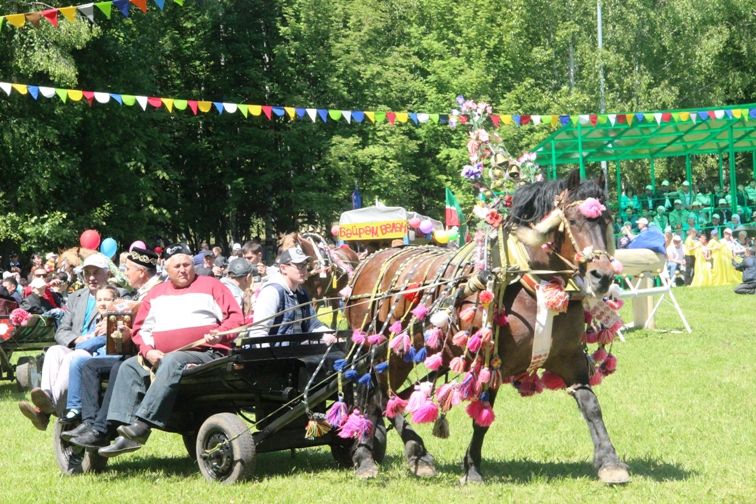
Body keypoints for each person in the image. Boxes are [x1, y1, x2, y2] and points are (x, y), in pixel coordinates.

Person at [96, 243, 243, 457]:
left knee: (173, 360)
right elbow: (141, 330)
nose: (183, 270)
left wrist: (221, 332)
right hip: (162, 357)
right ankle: (122, 433)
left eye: (187, 265)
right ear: (167, 269)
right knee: (128, 367)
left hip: (206, 354)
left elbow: (236, 319)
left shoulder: (212, 285)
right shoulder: (156, 294)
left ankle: (142, 425)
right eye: (177, 266)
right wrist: (148, 352)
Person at [65, 247, 162, 448]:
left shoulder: (156, 291)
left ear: (141, 272)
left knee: (120, 368)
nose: (125, 273)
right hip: (136, 351)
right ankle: (90, 424)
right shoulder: (143, 292)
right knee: (89, 366)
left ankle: (101, 429)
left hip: (150, 353)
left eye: (128, 269)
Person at [17, 253, 111, 431]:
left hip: (97, 349)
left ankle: (45, 411)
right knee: (54, 351)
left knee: (72, 358)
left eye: (96, 272)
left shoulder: (115, 295)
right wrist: (76, 339)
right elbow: (62, 330)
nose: (91, 277)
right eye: (87, 273)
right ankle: (46, 398)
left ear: (107, 274)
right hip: (76, 345)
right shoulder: (76, 297)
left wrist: (89, 339)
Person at [248, 246, 333, 338]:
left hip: (299, 350)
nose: (304, 269)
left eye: (305, 264)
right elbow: (258, 333)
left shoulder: (302, 293)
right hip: (276, 351)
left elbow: (313, 325)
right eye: (299, 265)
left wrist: (330, 335)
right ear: (283, 268)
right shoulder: (272, 292)